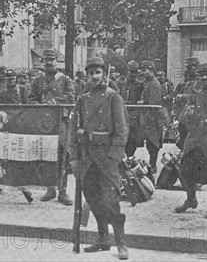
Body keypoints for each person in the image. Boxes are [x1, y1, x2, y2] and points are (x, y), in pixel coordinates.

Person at [69, 57, 129, 260]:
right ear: (87, 75)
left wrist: (114, 158)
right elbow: (73, 131)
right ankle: (103, 238)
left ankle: (121, 243)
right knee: (93, 198)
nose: (94, 76)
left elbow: (122, 131)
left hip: (107, 158)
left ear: (104, 74)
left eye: (97, 72)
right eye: (91, 72)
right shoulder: (82, 99)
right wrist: (75, 158)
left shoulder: (114, 97)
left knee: (111, 201)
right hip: (88, 158)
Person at [174, 63, 207, 219]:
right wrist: (187, 114)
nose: (204, 78)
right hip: (194, 138)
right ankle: (191, 199)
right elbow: (184, 115)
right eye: (201, 75)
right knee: (185, 169)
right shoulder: (195, 94)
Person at [28, 49, 75, 205]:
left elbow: (70, 97)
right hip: (43, 123)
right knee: (46, 155)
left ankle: (62, 191)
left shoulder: (65, 80)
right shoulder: (37, 81)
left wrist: (52, 103)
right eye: (46, 60)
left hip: (61, 121)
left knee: (63, 155)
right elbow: (31, 99)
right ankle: (50, 189)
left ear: (57, 61)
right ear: (43, 61)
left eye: (52, 60)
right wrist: (38, 106)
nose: (49, 63)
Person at [0, 69, 34, 202]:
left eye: (13, 78)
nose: (11, 81)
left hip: (22, 127)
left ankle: (24, 183)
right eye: (8, 79)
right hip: (9, 128)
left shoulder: (23, 90)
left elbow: (31, 104)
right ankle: (21, 186)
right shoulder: (3, 92)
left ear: (16, 78)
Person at [137, 60, 164, 174]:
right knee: (150, 143)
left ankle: (153, 166)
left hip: (153, 118)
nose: (143, 73)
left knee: (153, 143)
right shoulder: (148, 83)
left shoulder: (154, 84)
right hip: (148, 118)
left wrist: (142, 104)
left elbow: (153, 104)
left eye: (145, 70)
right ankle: (152, 165)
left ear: (151, 70)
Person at [120, 61, 144, 157]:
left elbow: (141, 99)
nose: (133, 74)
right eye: (131, 72)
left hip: (134, 115)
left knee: (132, 139)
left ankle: (129, 158)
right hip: (122, 114)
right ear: (127, 71)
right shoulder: (121, 83)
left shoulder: (140, 85)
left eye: (135, 72)